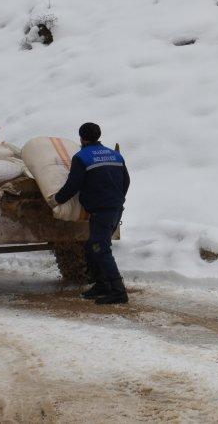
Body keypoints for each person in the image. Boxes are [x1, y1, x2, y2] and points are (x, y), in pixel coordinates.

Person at [49, 122, 130, 304]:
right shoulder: (115, 155)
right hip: (115, 208)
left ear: (81, 138)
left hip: (101, 210)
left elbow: (73, 185)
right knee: (92, 246)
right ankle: (101, 285)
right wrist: (117, 200)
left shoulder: (82, 157)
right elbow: (126, 181)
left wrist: (57, 200)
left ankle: (118, 291)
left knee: (100, 249)